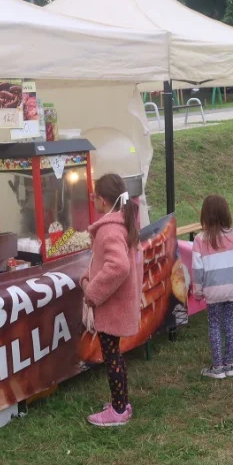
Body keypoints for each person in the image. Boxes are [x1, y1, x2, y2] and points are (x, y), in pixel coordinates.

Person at [81, 173, 143, 427]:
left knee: (112, 356)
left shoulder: (108, 230)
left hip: (111, 306)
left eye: (93, 196)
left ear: (103, 200)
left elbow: (118, 266)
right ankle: (121, 402)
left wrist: (92, 293)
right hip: (117, 304)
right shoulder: (121, 224)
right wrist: (89, 276)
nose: (92, 200)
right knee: (114, 354)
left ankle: (119, 410)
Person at [191, 195, 233, 380]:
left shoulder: (200, 240)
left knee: (215, 325)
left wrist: (198, 291)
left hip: (213, 291)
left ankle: (217, 368)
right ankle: (229, 365)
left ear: (204, 216)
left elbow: (197, 269)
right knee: (229, 324)